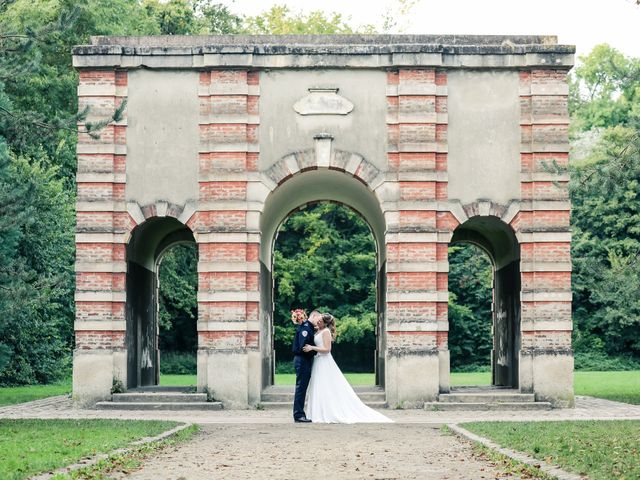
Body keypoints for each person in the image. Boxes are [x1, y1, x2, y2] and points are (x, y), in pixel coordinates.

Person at [303, 313, 393, 424]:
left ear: (325, 323)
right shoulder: (318, 330)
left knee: (325, 386)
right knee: (318, 386)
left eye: (321, 321)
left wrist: (312, 347)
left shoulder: (326, 332)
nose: (318, 322)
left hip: (324, 361)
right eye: (318, 320)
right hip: (318, 361)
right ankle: (317, 411)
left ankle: (328, 412)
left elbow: (327, 349)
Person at [291, 309, 320, 423]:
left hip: (304, 360)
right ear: (314, 316)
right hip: (303, 360)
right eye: (318, 318)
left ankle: (299, 413)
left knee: (302, 387)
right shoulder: (306, 328)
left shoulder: (309, 327)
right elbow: (304, 347)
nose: (319, 321)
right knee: (301, 388)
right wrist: (315, 351)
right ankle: (298, 415)